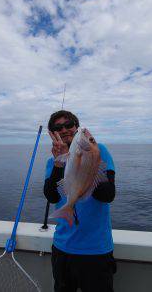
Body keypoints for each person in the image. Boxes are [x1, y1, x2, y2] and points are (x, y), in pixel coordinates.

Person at [44, 110, 117, 292]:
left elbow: (108, 195)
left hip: (96, 250)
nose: (65, 129)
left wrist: (91, 163)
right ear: (52, 133)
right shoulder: (52, 162)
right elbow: (51, 196)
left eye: (69, 125)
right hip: (62, 248)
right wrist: (59, 164)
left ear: (76, 128)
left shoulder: (99, 152)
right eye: (58, 127)